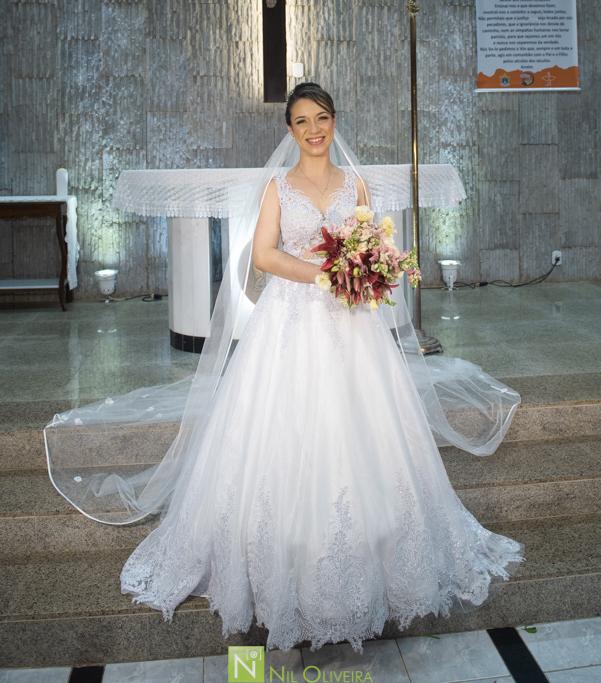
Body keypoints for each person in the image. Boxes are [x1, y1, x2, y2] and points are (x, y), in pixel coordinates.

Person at [45, 83, 523, 653]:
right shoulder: (279, 187)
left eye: (322, 118)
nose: (314, 130)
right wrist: (324, 274)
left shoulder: (356, 184)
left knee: (365, 426)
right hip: (292, 318)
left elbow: (370, 241)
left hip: (351, 325)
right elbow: (264, 255)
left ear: (334, 121)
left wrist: (367, 270)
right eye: (302, 121)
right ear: (290, 130)